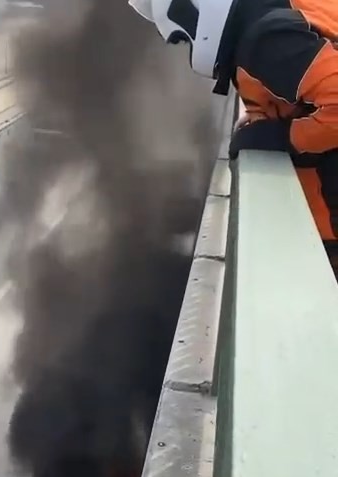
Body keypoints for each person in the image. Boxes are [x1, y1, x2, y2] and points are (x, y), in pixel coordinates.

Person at [128, 0, 338, 276]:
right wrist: (266, 122)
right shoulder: (276, 16)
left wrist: (282, 137)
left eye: (183, 37)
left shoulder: (266, 41)